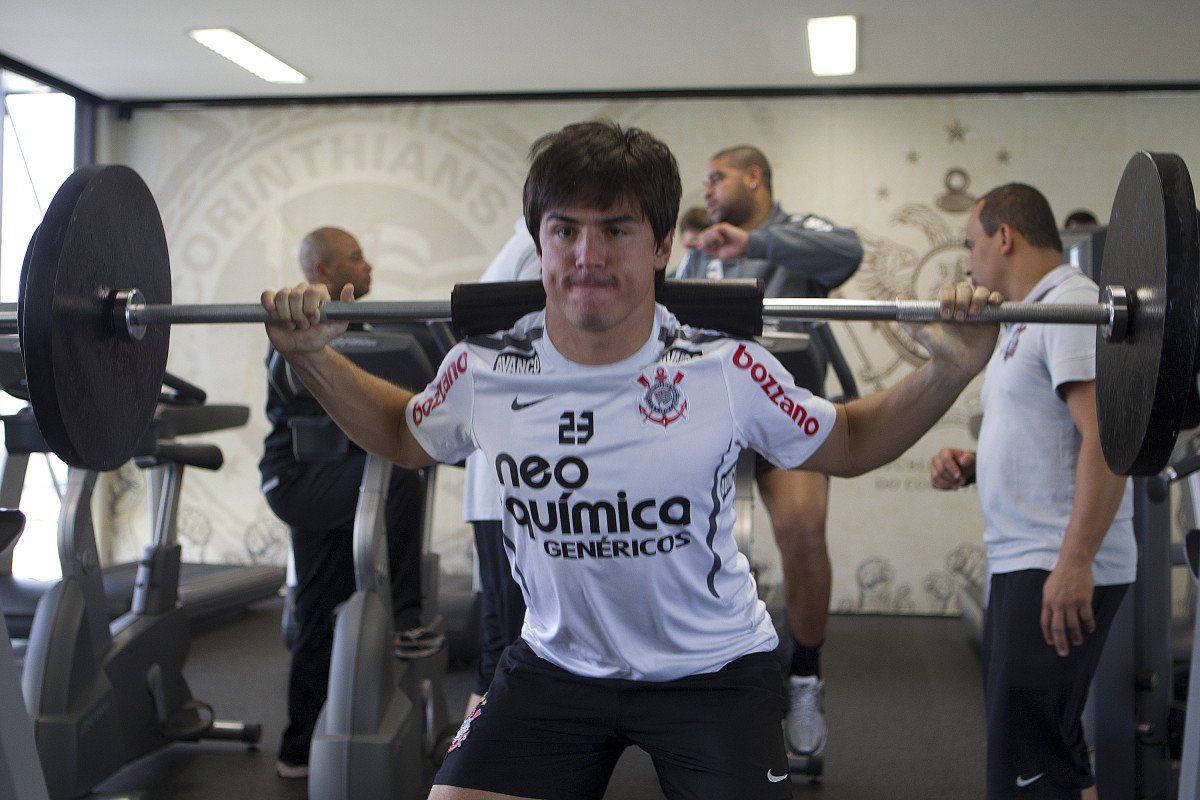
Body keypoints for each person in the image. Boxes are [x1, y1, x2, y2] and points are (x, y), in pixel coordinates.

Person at [261, 119, 1000, 799]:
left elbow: (850, 441)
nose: (588, 256)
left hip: (711, 671)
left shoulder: (723, 366)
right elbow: (399, 434)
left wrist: (952, 369)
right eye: (565, 230)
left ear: (661, 245)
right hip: (553, 665)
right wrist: (310, 360)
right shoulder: (486, 369)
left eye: (615, 229)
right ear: (538, 241)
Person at [929, 184, 1134, 800]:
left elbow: (1105, 440)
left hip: (1055, 560)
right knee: (1052, 751)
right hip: (1031, 556)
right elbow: (1052, 433)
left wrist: (1074, 563)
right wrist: (976, 462)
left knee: (1026, 767)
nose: (968, 263)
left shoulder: (1070, 306)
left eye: (971, 245)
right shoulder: (1031, 315)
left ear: (1004, 237)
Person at [674, 144, 863, 758]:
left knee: (803, 531)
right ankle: (696, 681)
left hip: (785, 410)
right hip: (709, 417)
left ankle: (804, 676)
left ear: (754, 177)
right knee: (678, 541)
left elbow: (849, 253)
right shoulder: (698, 257)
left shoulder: (795, 235)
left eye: (716, 177)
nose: (706, 189)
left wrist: (752, 245)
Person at [259, 226, 434, 779]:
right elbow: (290, 379)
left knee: (322, 608)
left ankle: (297, 750)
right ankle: (407, 617)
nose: (369, 264)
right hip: (300, 481)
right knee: (404, 475)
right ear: (325, 273)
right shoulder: (299, 325)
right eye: (356, 257)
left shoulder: (374, 329)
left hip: (347, 479)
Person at [460, 218, 535, 716]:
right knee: (506, 646)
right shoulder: (533, 257)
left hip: (517, 484)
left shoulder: (530, 252)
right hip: (508, 489)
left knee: (508, 641)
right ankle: (472, 769)